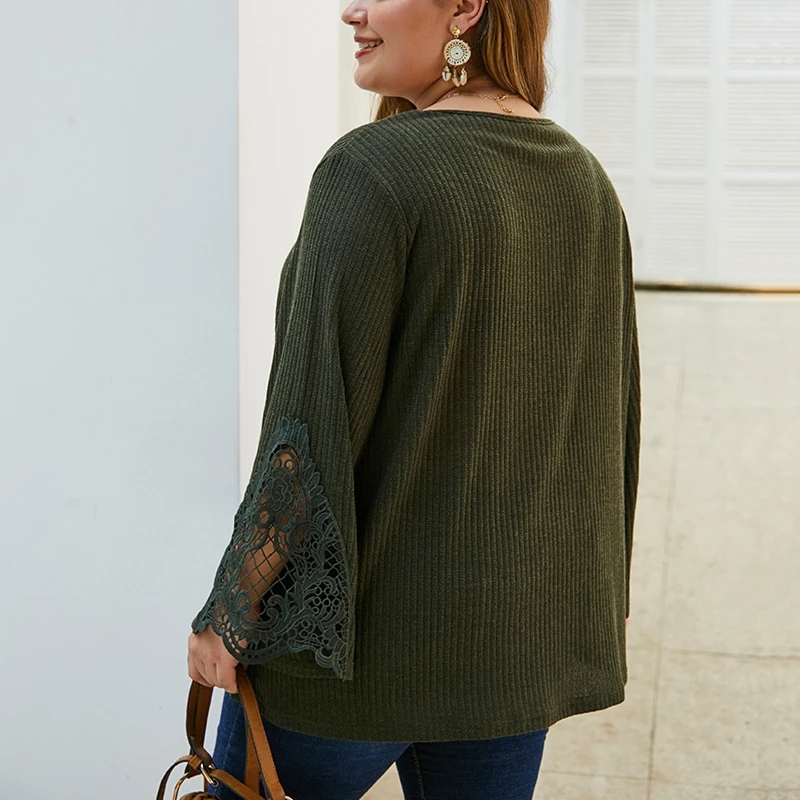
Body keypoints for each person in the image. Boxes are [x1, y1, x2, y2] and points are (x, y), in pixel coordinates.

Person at [186, 0, 641, 797]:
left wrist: (230, 608)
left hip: (357, 658)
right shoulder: (584, 180)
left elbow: (308, 431)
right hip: (508, 656)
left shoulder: (370, 170)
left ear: (465, 8)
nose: (350, 12)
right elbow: (608, 432)